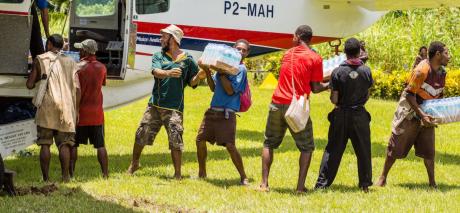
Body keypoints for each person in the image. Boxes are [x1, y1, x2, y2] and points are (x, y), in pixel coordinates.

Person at [259, 25, 330, 193]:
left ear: (298, 36)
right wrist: (330, 84)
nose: (292, 38)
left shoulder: (287, 54)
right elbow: (315, 87)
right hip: (296, 107)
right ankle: (299, 188)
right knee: (306, 147)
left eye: (293, 36)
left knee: (269, 142)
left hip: (276, 103)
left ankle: (264, 184)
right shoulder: (315, 58)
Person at [127, 25, 203, 179]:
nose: (160, 39)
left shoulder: (187, 60)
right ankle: (134, 163)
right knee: (142, 133)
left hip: (175, 107)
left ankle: (177, 175)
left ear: (173, 39)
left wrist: (200, 76)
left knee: (175, 138)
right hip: (155, 105)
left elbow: (193, 82)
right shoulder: (158, 56)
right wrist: (168, 72)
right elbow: (156, 72)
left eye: (164, 36)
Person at [376, 41, 450, 188]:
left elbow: (439, 93)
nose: (449, 56)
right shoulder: (421, 71)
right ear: (438, 54)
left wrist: (437, 112)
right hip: (410, 111)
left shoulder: (442, 72)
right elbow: (409, 95)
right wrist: (422, 115)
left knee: (429, 149)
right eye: (447, 53)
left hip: (427, 113)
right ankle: (383, 177)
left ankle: (432, 183)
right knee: (395, 146)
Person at [314, 38, 374, 192]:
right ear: (359, 52)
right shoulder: (366, 71)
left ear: (345, 53)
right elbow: (367, 95)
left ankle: (322, 184)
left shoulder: (337, 72)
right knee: (363, 150)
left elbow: (334, 99)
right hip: (360, 114)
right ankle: (365, 185)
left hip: (341, 114)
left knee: (333, 150)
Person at [195, 39, 250, 185]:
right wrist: (207, 71)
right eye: (238, 49)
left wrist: (221, 72)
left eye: (244, 50)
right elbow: (213, 88)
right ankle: (202, 173)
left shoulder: (240, 70)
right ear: (233, 49)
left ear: (247, 53)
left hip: (227, 114)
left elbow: (230, 90)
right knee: (200, 140)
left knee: (230, 146)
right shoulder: (224, 65)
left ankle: (243, 176)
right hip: (212, 111)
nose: (241, 52)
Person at [26, 34, 79, 182]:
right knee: (65, 144)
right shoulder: (71, 62)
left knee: (45, 143)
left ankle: (46, 178)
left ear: (49, 44)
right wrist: (77, 109)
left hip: (47, 106)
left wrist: (37, 77)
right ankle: (65, 177)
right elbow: (77, 87)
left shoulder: (41, 59)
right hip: (67, 106)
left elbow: (30, 84)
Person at [70, 39, 109, 179]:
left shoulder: (77, 67)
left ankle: (71, 174)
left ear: (85, 51)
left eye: (80, 49)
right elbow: (102, 84)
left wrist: (75, 111)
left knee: (73, 145)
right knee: (101, 145)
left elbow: (76, 90)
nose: (79, 52)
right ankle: (105, 174)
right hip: (97, 113)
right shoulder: (102, 67)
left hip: (80, 113)